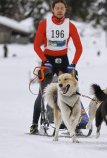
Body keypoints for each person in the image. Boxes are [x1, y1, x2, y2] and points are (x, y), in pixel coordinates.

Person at [30, 0, 83, 134]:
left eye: (62, 8)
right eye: (57, 8)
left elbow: (79, 48)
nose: (60, 10)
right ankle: (34, 124)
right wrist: (44, 60)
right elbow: (36, 46)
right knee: (43, 93)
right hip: (48, 59)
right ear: (52, 10)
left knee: (72, 90)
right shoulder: (44, 24)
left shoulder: (70, 25)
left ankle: (76, 123)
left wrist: (73, 64)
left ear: (65, 10)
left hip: (64, 60)